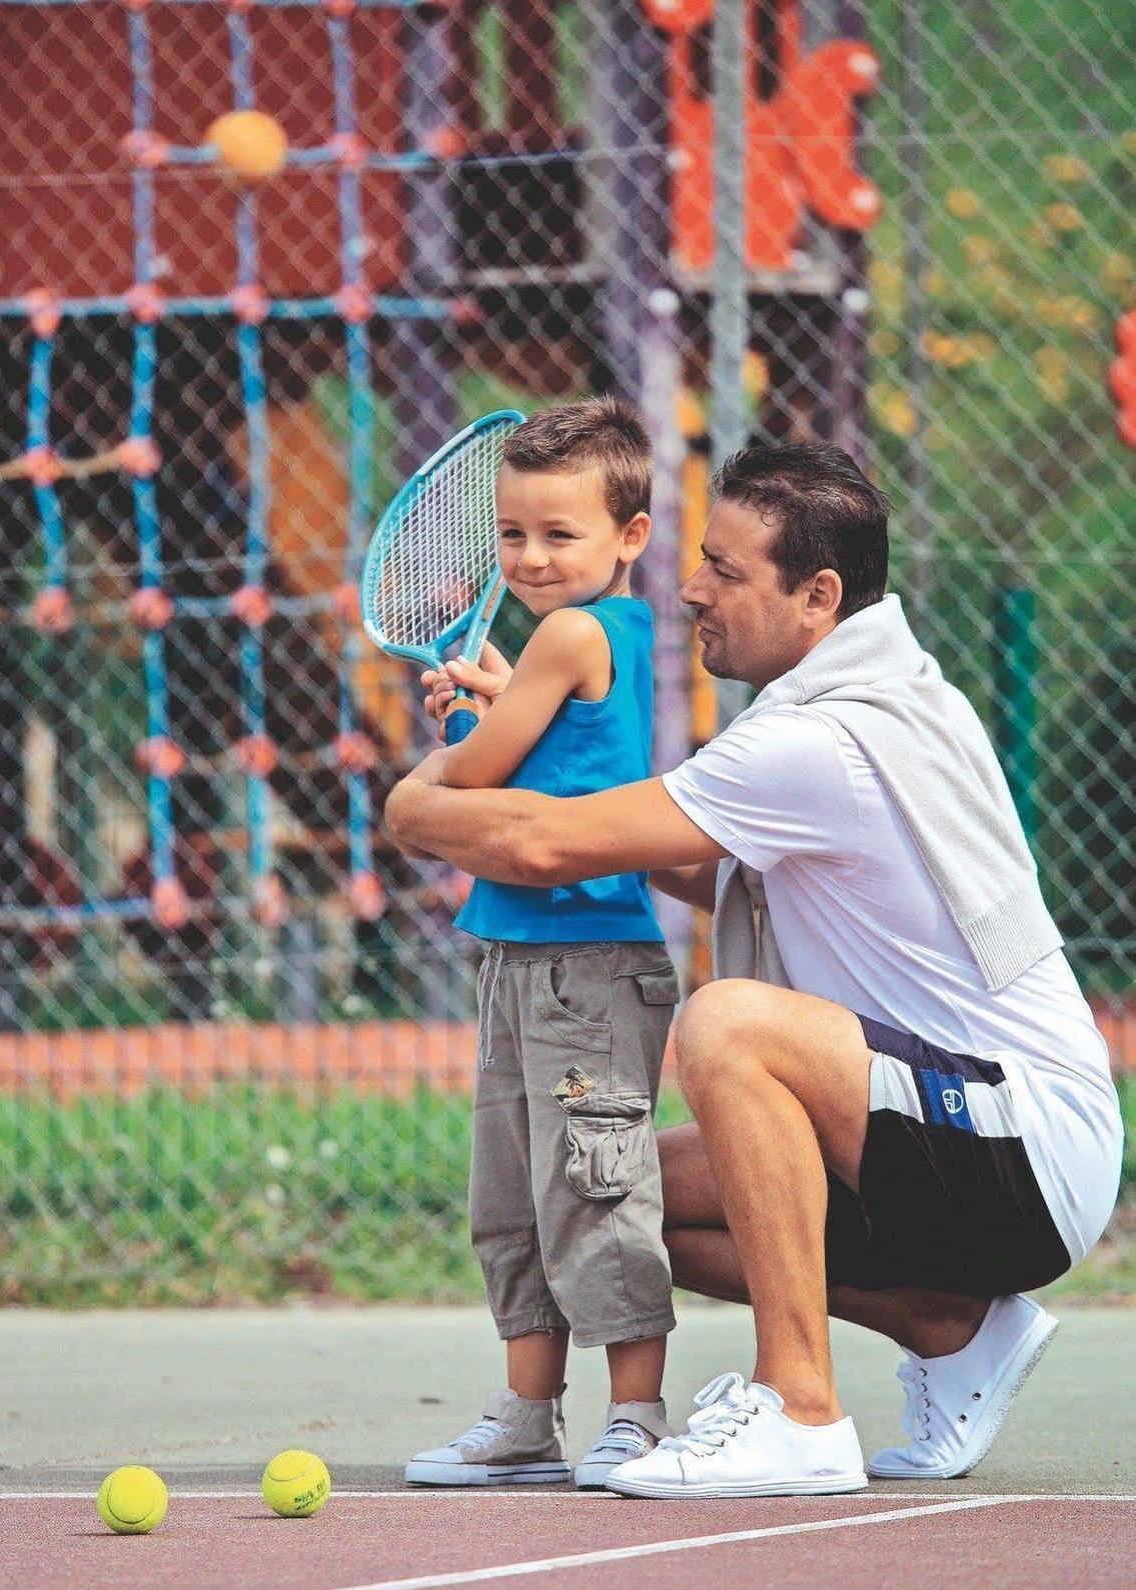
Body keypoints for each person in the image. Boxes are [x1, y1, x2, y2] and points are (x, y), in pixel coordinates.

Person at [387, 440, 1123, 1498]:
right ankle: (949, 1328)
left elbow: (546, 848)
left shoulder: (818, 741)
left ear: (815, 595)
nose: (692, 588)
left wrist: (423, 799)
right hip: (960, 1129)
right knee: (608, 1195)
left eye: (725, 571)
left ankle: (800, 1410)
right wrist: (522, 727)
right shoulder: (880, 695)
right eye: (700, 558)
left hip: (1013, 1146)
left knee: (728, 1024)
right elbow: (684, 858)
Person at [404, 397, 682, 1491]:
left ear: (630, 538)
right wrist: (490, 699)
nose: (529, 556)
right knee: (513, 1197)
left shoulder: (572, 632)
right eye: (512, 533)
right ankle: (527, 1417)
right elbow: (546, 751)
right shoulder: (564, 643)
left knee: (596, 1187)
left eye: (559, 535)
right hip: (521, 957)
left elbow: (476, 781)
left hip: (587, 965)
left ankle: (638, 1418)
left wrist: (454, 741)